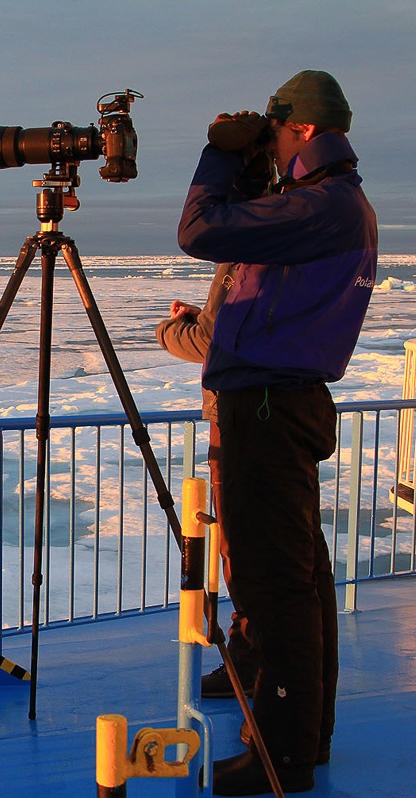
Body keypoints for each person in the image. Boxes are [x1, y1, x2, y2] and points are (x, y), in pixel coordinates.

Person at [176, 70, 377, 796]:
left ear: (305, 130)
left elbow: (200, 229)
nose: (273, 140)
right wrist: (259, 163)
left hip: (264, 403)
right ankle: (304, 737)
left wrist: (222, 157)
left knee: (276, 582)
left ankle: (285, 751)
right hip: (281, 397)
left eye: (277, 130)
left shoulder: (324, 205)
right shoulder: (328, 203)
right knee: (299, 574)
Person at [155, 263, 258, 699]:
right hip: (272, 410)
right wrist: (203, 316)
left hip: (239, 417)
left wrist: (170, 329)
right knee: (274, 551)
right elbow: (243, 328)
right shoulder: (309, 235)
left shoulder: (249, 246)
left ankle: (250, 663)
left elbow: (209, 343)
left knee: (244, 549)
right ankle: (267, 666)